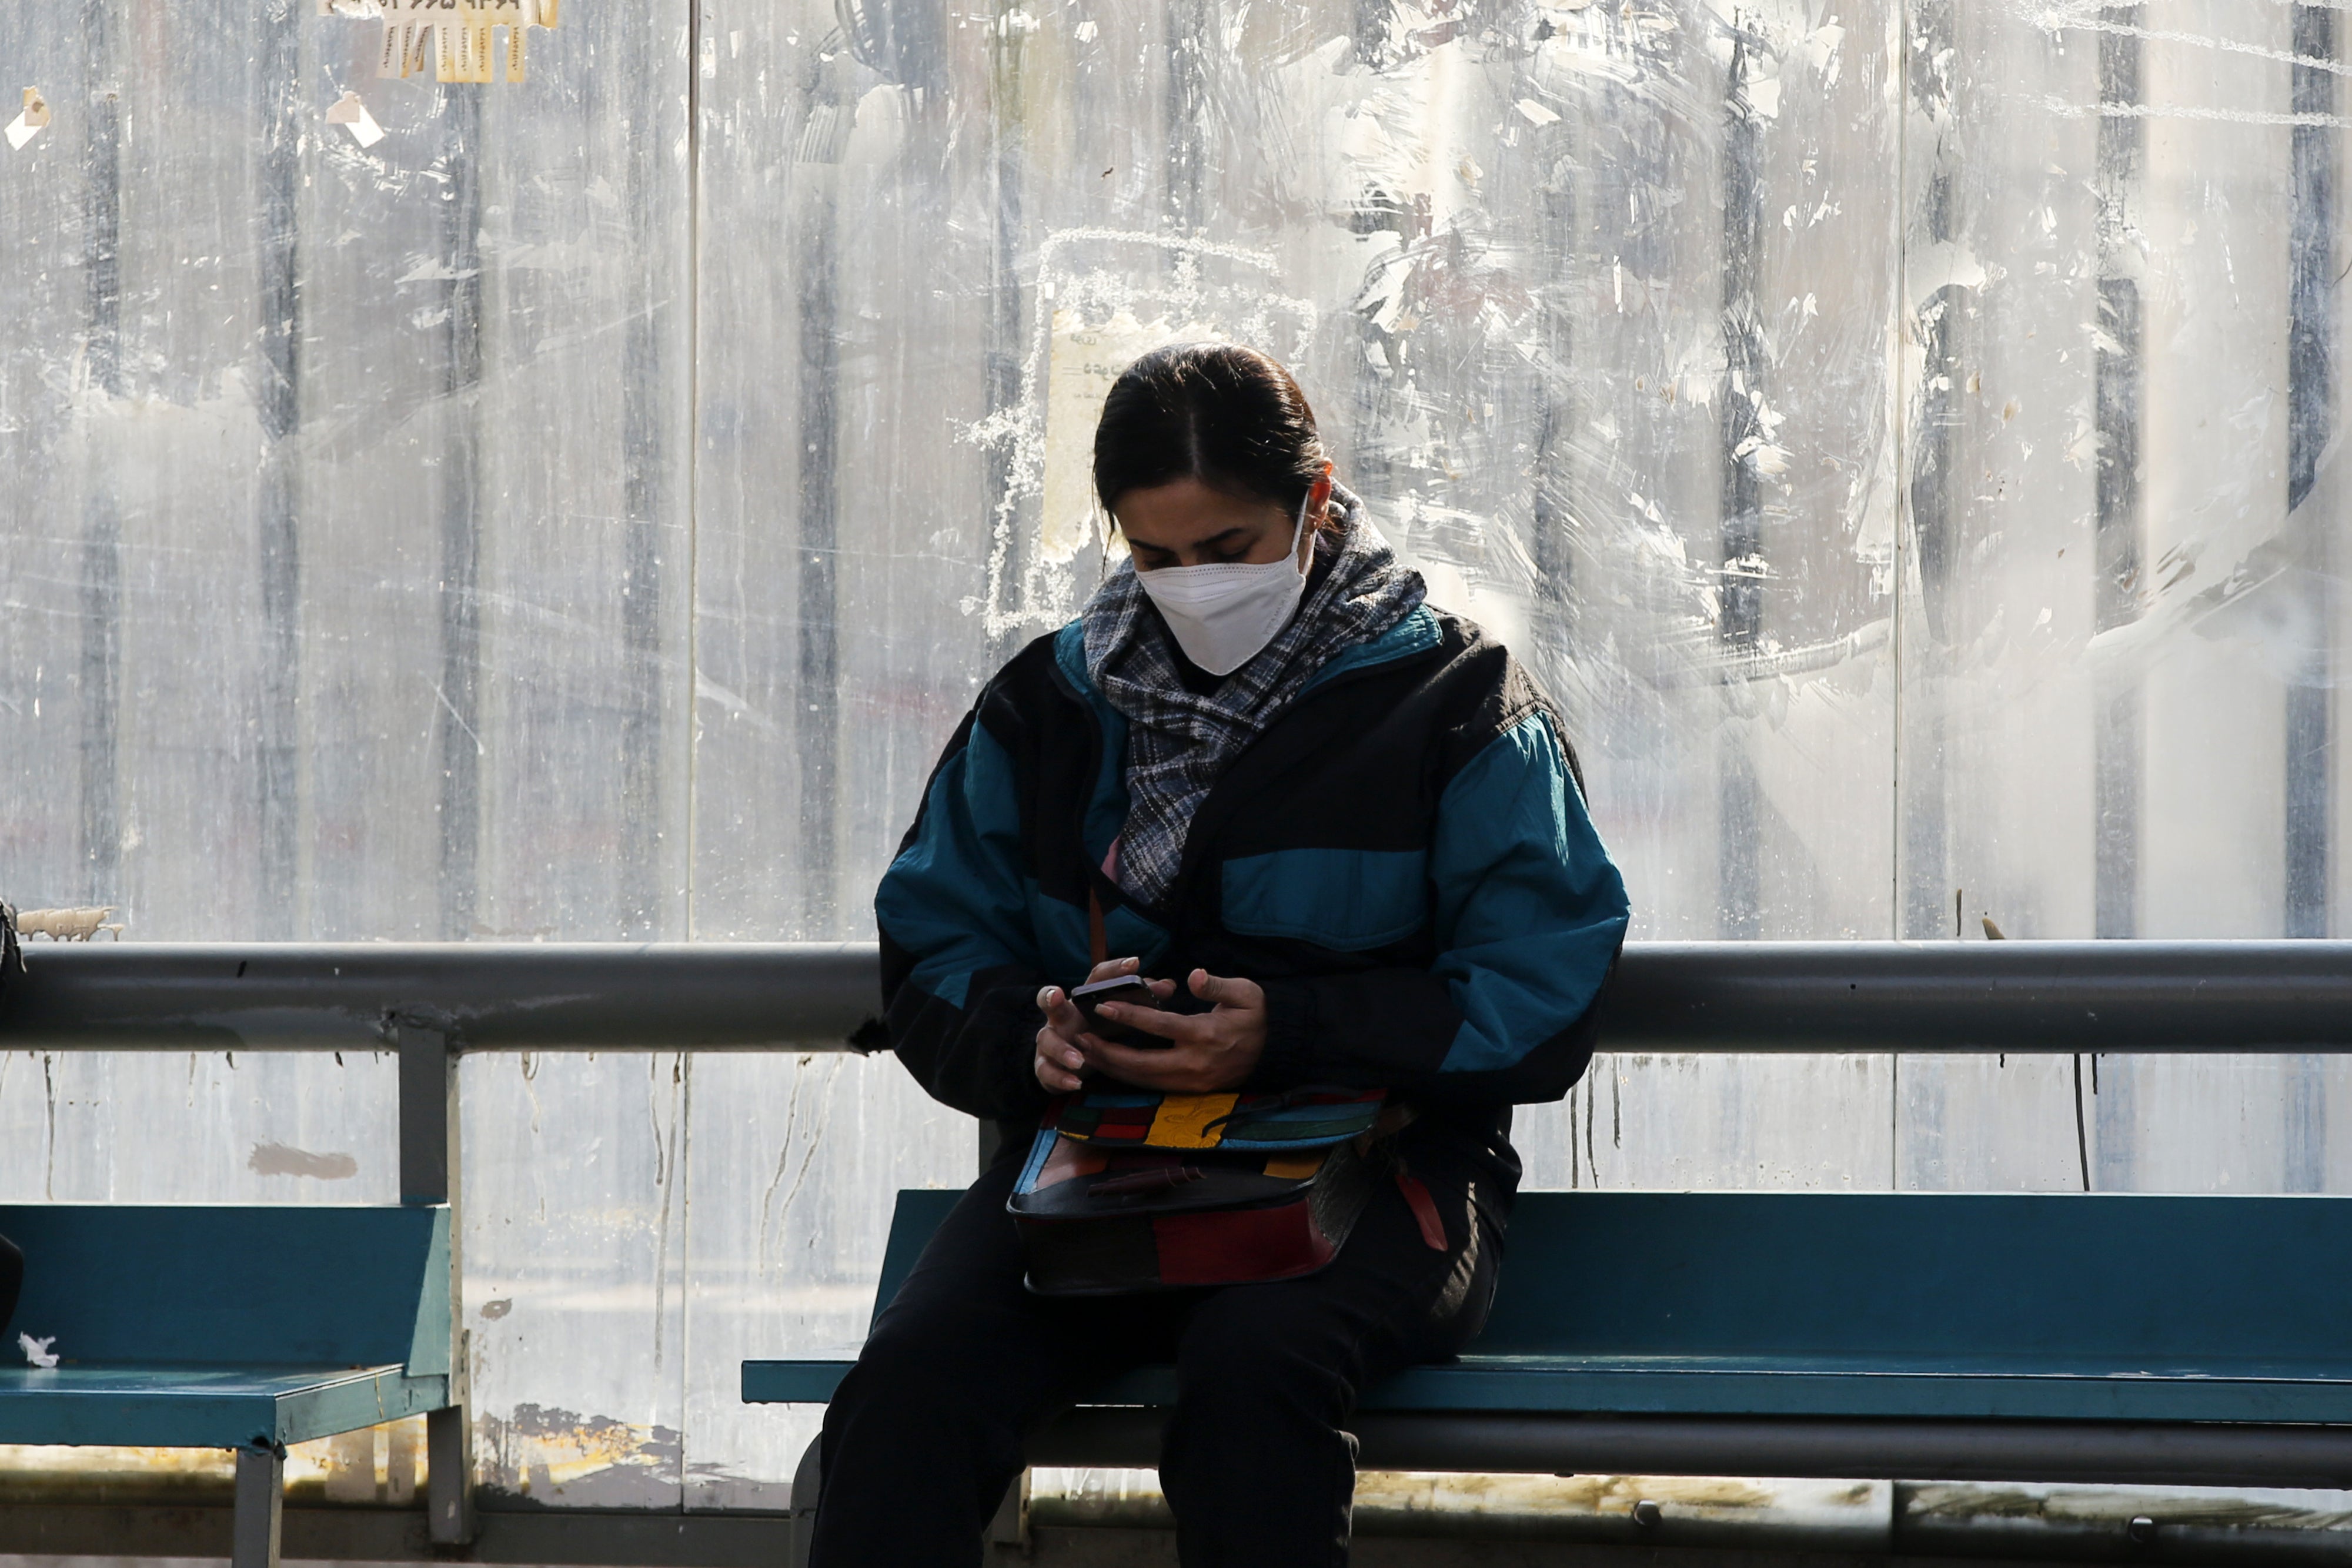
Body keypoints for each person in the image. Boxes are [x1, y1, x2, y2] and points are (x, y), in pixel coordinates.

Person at [813, 343, 1629, 1566]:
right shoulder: (1047, 706)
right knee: (910, 1387)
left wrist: (1289, 1030)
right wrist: (1024, 1037)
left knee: (1256, 1378)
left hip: (1377, 1175)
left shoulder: (1458, 703)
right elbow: (936, 932)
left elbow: (1541, 989)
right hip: (1101, 1163)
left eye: (1228, 548)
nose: (1191, 585)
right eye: (1154, 556)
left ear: (1315, 503)